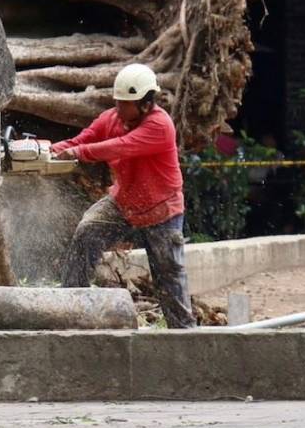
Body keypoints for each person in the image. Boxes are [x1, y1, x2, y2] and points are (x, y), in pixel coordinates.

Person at [52, 63, 197, 329]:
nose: (118, 109)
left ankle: (184, 334)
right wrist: (48, 149)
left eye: (125, 104)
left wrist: (79, 153)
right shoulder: (111, 118)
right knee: (87, 230)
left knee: (169, 281)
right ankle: (70, 305)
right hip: (124, 202)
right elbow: (81, 140)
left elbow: (120, 147)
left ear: (144, 103)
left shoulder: (160, 125)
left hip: (161, 210)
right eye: (117, 102)